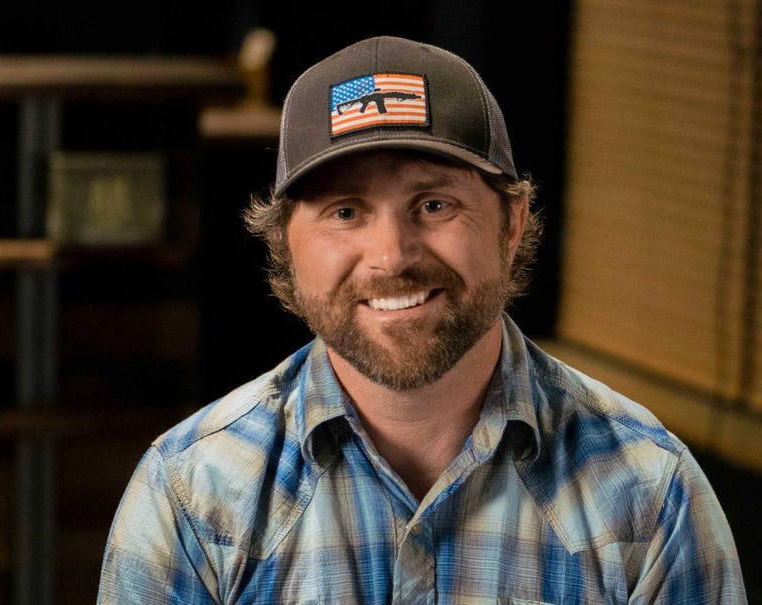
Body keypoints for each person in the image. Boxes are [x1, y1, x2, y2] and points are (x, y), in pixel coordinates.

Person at [98, 36, 746, 603]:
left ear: (512, 224)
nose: (392, 257)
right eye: (345, 212)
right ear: (284, 245)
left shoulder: (649, 495)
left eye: (434, 205)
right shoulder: (191, 496)